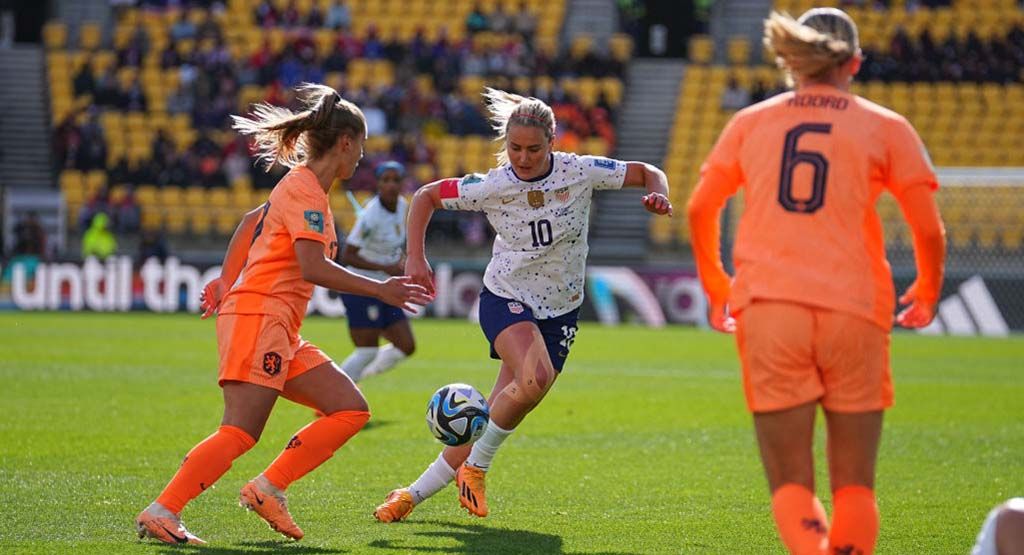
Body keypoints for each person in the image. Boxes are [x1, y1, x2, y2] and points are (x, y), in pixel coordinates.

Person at [687, 9, 946, 555]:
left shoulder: (750, 122)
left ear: (790, 63)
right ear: (854, 62)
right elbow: (928, 228)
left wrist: (717, 286)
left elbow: (700, 208)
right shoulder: (887, 126)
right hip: (855, 307)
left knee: (792, 483)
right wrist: (926, 289)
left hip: (769, 308)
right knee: (855, 485)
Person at [134, 83, 432, 545]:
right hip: (260, 319)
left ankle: (268, 488)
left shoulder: (300, 186)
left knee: (350, 409)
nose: (361, 160)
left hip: (276, 326)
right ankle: (162, 510)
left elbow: (249, 221)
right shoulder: (307, 192)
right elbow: (313, 266)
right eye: (362, 148)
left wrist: (225, 280)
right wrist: (383, 290)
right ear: (346, 142)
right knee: (239, 431)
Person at [373, 87, 673, 523]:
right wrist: (415, 257)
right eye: (515, 148)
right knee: (535, 379)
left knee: (501, 405)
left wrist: (658, 194)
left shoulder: (581, 171)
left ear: (553, 143)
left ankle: (410, 496)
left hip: (562, 309)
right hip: (507, 297)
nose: (523, 157)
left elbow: (647, 171)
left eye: (534, 148)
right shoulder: (492, 186)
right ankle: (476, 469)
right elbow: (425, 196)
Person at [337, 161, 415, 382]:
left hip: (387, 287)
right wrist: (385, 267)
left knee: (406, 345)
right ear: (378, 184)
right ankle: (336, 399)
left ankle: (361, 375)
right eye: (386, 180)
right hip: (363, 288)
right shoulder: (370, 216)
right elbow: (348, 255)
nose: (391, 185)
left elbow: (395, 243)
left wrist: (400, 262)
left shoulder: (402, 206)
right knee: (367, 351)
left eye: (396, 180)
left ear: (402, 184)